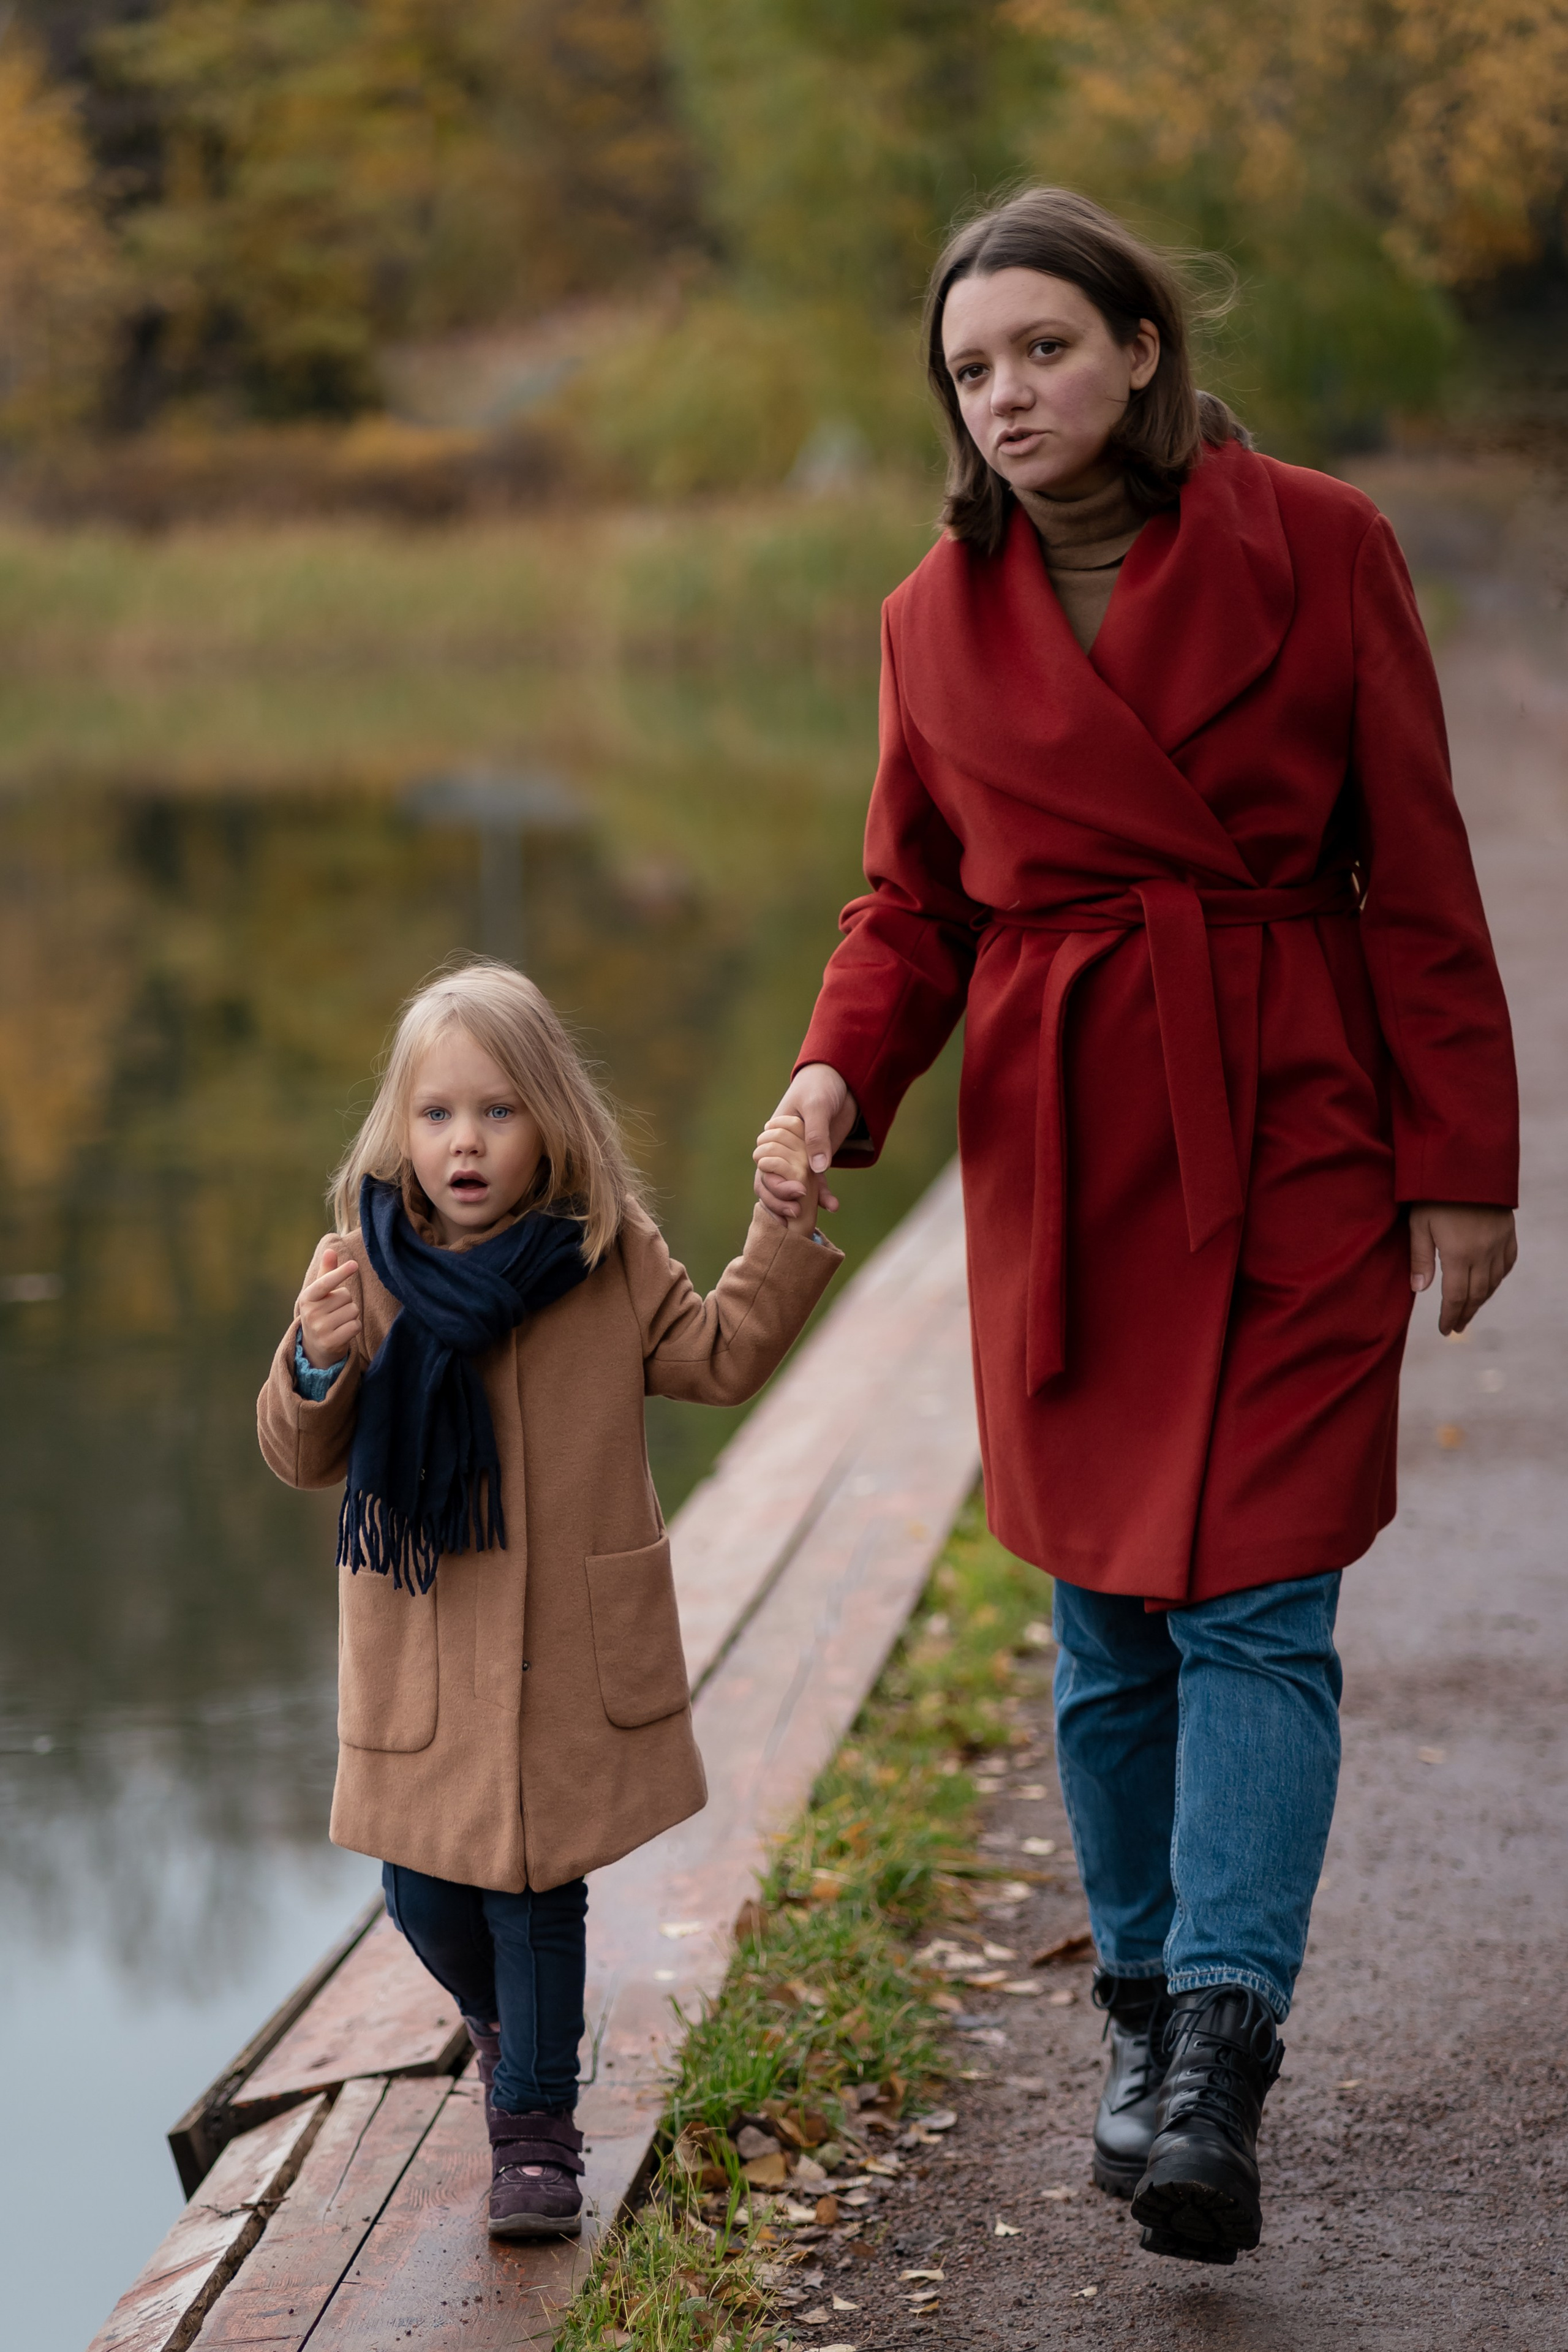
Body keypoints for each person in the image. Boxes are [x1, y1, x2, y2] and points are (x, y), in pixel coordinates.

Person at [757, 187, 1519, 2266]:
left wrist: (1462, 1154)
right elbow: (910, 905)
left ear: (1142, 350)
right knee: (1104, 1616)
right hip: (1070, 1150)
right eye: (972, 369)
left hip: (1289, 1123)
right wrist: (833, 1077)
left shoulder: (1326, 546)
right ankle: (1135, 1999)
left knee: (1258, 1602)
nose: (1009, 395)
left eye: (1046, 349)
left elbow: (1417, 861)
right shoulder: (930, 618)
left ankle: (1215, 2053)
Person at [258, 959, 840, 2238]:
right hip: (425, 1651)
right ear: (400, 1131)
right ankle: (510, 2030)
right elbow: (305, 1456)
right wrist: (314, 1356)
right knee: (423, 1893)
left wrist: (779, 1231)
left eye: (497, 1111)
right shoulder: (364, 1266)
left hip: (563, 1647)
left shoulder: (605, 1254)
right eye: (437, 1114)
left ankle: (534, 2132)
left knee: (537, 1893)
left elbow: (719, 1357)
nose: (464, 1142)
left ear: (552, 1122)